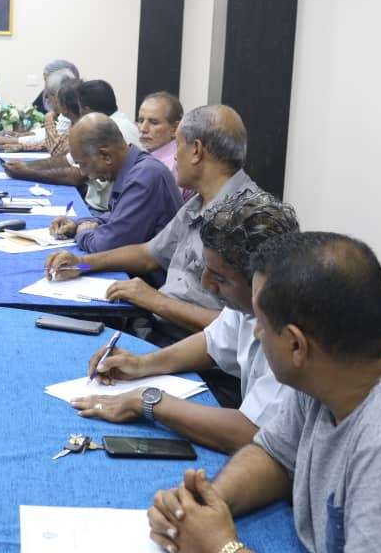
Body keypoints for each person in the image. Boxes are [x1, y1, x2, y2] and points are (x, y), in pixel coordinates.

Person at [146, 232, 381, 553]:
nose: (256, 332)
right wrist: (207, 504)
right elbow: (275, 455)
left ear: (296, 345)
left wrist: (219, 546)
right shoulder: (330, 373)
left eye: (260, 322)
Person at [71, 191, 298, 453]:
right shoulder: (246, 305)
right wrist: (142, 364)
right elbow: (212, 341)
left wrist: (148, 401)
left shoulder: (289, 335)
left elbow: (252, 433)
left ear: (260, 281)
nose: (206, 284)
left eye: (221, 279)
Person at [45, 105, 257, 344]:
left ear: (196, 151)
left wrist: (155, 301)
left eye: (178, 146)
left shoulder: (250, 218)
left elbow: (240, 331)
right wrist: (82, 264)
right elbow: (148, 254)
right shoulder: (199, 202)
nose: (174, 157)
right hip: (163, 328)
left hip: (186, 344)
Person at [47, 113, 182, 254]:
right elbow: (117, 217)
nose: (82, 172)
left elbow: (107, 245)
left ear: (106, 156)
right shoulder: (135, 168)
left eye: (83, 164)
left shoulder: (144, 177)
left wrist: (83, 233)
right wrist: (77, 224)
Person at [2, 80, 140, 210]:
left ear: (86, 110)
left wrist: (27, 172)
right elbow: (67, 159)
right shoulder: (109, 122)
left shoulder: (112, 128)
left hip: (103, 210)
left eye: (79, 108)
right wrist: (27, 165)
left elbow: (78, 175)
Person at [0, 68, 76, 147]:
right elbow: (50, 133)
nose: (48, 101)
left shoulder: (68, 112)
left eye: (48, 96)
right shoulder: (70, 106)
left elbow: (54, 144)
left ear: (56, 96)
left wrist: (4, 140)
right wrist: (22, 135)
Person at [137, 91, 194, 201]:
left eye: (154, 122)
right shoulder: (148, 155)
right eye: (140, 120)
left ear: (175, 128)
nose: (143, 129)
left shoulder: (174, 164)